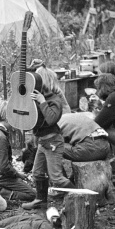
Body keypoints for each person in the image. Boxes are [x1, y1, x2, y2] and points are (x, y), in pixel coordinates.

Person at [22, 66, 75, 210]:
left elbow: (51, 119)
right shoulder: (35, 98)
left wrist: (42, 101)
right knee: (37, 172)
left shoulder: (54, 100)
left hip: (53, 142)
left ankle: (77, 198)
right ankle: (41, 200)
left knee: (56, 177)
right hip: (42, 141)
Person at [0, 100, 35, 201]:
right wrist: (17, 174)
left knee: (21, 182)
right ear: (7, 118)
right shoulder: (0, 137)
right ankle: (1, 192)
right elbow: (3, 167)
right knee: (32, 194)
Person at [93, 73, 115, 152]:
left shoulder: (113, 97)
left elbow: (98, 123)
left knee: (100, 129)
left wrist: (96, 112)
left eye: (98, 88)